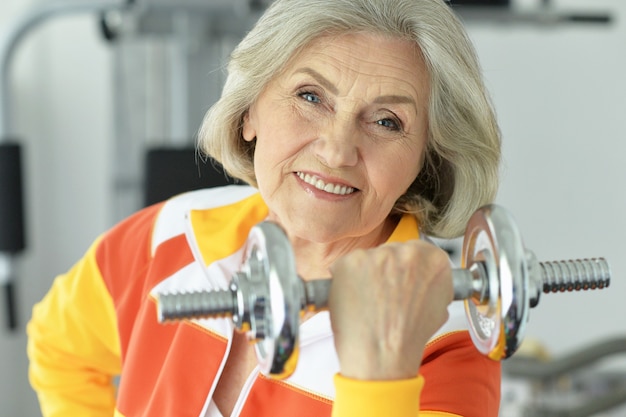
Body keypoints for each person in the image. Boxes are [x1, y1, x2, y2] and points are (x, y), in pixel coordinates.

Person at [27, 0, 502, 416]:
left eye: (385, 121)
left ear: (426, 159)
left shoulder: (450, 342)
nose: (337, 151)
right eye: (310, 97)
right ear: (249, 109)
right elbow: (59, 348)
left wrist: (380, 374)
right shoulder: (168, 235)